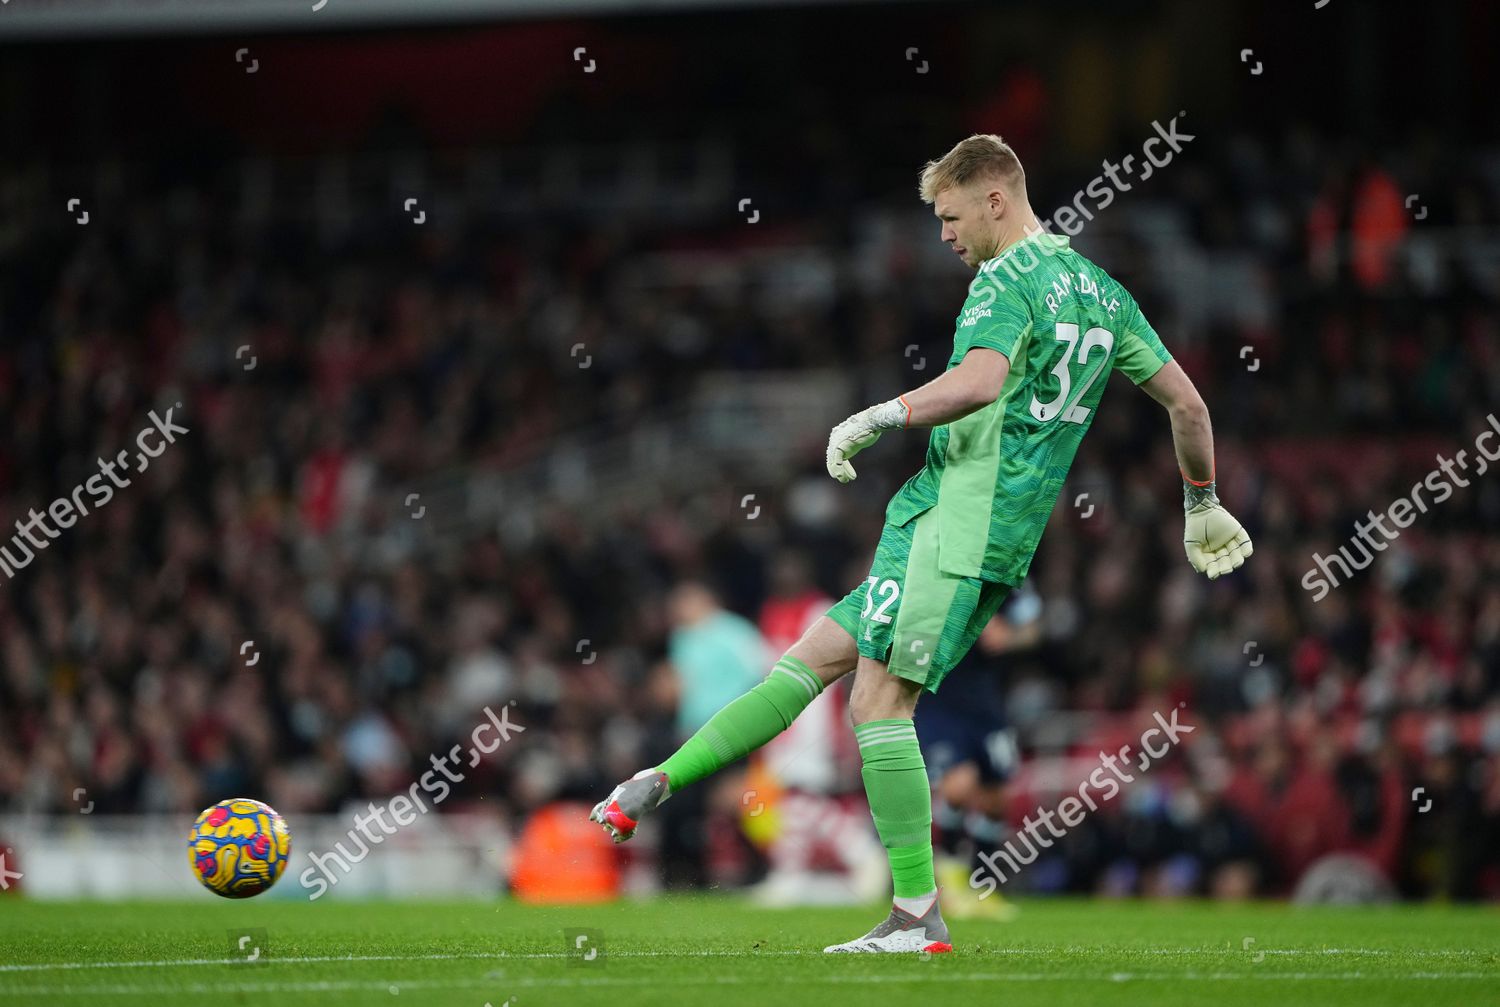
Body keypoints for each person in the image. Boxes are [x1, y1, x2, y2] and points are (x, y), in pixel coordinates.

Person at [590, 133, 1253, 953]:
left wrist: (879, 414)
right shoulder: (1105, 293)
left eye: (949, 216)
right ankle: (657, 781)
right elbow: (1189, 406)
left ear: (995, 200)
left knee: (877, 704)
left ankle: (915, 914)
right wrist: (1202, 502)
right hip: (992, 536)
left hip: (956, 526)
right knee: (813, 656)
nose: (943, 234)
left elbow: (975, 381)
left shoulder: (1004, 281)